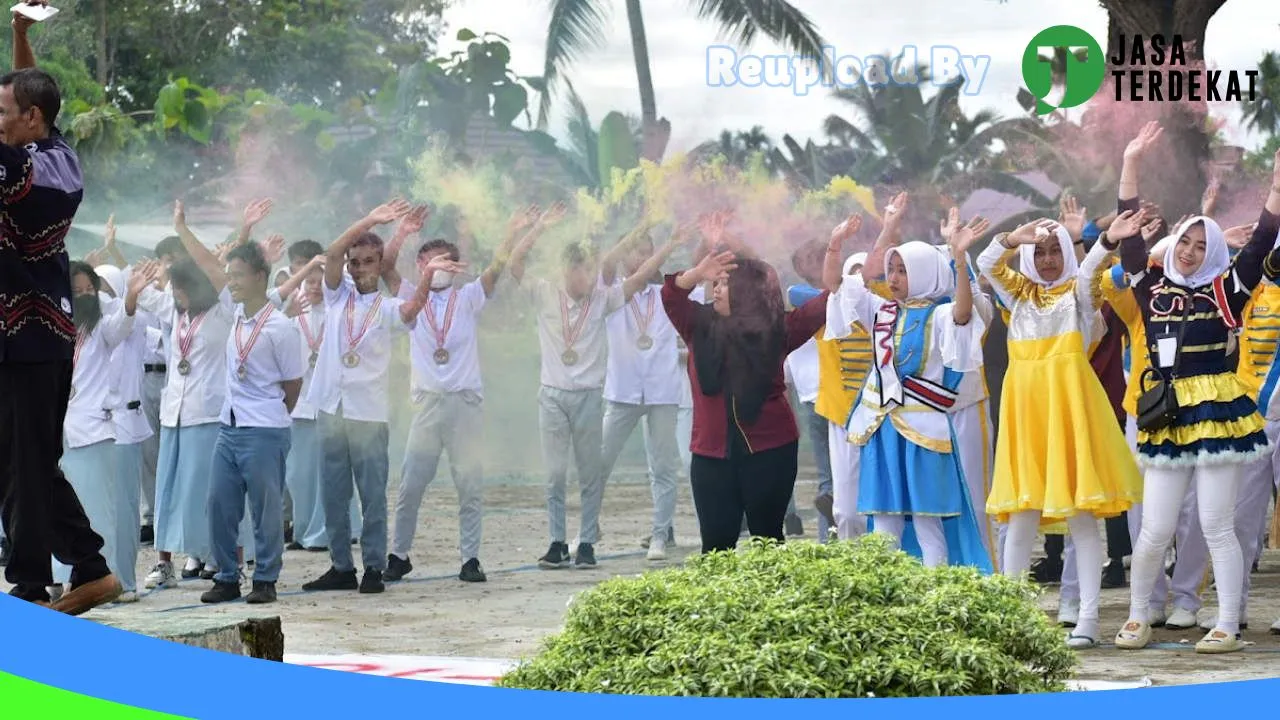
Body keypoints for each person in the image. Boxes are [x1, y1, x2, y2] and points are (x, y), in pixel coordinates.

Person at [1113, 123, 1280, 654]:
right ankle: (1139, 616)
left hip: (1218, 412)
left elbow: (1259, 242)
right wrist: (1131, 160)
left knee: (1216, 524)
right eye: (1184, 240)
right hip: (1165, 414)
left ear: (1212, 252)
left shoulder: (1228, 288)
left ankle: (1228, 622)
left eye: (1200, 243)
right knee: (1155, 528)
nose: (1189, 250)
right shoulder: (1150, 287)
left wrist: (1276, 186)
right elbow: (1132, 236)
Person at [0, 12, 121, 614]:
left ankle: (40, 584)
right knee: (20, 462)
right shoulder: (33, 142)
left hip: (35, 340)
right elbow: (27, 90)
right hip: (14, 340)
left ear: (32, 120)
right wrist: (21, 38)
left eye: (3, 113)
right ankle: (79, 570)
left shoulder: (46, 168)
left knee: (29, 463)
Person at [977, 214, 1142, 648]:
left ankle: (1087, 621)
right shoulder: (1018, 295)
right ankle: (1010, 621)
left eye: (1055, 251)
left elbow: (1091, 269)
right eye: (1040, 252)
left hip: (1069, 412)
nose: (1048, 259)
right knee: (1021, 517)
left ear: (1067, 253)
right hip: (1026, 414)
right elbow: (988, 262)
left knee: (1082, 519)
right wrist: (1014, 237)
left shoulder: (1080, 295)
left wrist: (1104, 240)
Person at [824, 196, 991, 571]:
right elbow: (837, 285)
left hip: (925, 434)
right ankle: (892, 601)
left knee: (929, 524)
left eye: (903, 270)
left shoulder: (942, 314)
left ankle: (934, 600)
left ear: (925, 273)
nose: (894, 278)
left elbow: (965, 313)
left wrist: (960, 259)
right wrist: (841, 244)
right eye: (892, 269)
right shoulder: (881, 312)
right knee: (884, 524)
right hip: (883, 431)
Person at [379, 205, 539, 583]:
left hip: (465, 403)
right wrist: (401, 233)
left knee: (469, 484)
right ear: (420, 267)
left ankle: (470, 558)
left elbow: (497, 268)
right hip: (428, 404)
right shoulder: (409, 295)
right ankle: (399, 555)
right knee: (410, 485)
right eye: (431, 264)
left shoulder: (468, 297)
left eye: (447, 263)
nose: (439, 270)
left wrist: (512, 230)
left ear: (457, 266)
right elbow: (386, 268)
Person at [660, 211, 830, 553]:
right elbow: (672, 296)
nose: (716, 291)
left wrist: (841, 260)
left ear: (745, 293)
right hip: (710, 454)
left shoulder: (775, 328)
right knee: (716, 548)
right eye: (715, 284)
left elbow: (825, 301)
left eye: (723, 285)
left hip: (771, 449)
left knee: (768, 542)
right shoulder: (698, 324)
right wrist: (697, 272)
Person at [302, 199, 434, 595]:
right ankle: (341, 565)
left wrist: (426, 273)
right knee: (334, 493)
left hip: (368, 413)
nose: (359, 267)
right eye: (354, 261)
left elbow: (413, 310)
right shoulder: (337, 295)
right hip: (331, 407)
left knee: (372, 495)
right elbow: (332, 253)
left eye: (368, 261)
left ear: (381, 264)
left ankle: (373, 567)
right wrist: (371, 220)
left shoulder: (388, 306)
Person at [506, 207, 644, 570]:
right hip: (551, 395)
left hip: (587, 396)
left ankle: (586, 542)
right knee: (554, 473)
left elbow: (638, 279)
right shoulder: (544, 292)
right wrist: (537, 227)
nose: (590, 277)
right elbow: (513, 264)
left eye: (593, 270)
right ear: (568, 269)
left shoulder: (603, 298)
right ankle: (556, 542)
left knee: (589, 472)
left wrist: (650, 231)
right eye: (583, 269)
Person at [200, 241, 304, 605]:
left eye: (239, 275)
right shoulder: (236, 315)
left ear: (261, 276)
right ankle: (227, 576)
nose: (231, 283)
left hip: (264, 428)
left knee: (265, 507)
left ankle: (265, 578)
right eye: (230, 276)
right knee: (219, 502)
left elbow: (293, 384)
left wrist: (272, 415)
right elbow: (207, 267)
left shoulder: (281, 327)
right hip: (228, 426)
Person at [596, 224, 691, 562]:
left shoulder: (667, 293)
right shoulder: (609, 292)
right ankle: (587, 531)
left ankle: (659, 535)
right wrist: (638, 230)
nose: (643, 257)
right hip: (622, 390)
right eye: (635, 251)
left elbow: (695, 278)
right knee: (600, 462)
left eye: (647, 250)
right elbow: (606, 262)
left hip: (662, 391)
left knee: (663, 468)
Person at [48, 263, 138, 605]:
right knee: (63, 511)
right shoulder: (56, 329)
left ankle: (107, 577)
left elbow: (121, 325)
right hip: (62, 431)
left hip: (95, 432)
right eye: (78, 290)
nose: (86, 296)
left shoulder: (100, 328)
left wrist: (129, 299)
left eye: (90, 290)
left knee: (98, 512)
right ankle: (61, 578)